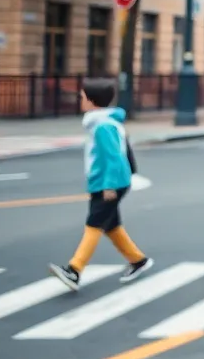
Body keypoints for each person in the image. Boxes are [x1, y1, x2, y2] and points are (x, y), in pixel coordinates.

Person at [48, 80, 153, 291]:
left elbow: (113, 158)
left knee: (94, 224)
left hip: (110, 183)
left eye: (82, 97)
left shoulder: (104, 125)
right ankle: (138, 260)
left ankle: (74, 270)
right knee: (111, 226)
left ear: (92, 101)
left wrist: (109, 186)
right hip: (106, 181)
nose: (80, 100)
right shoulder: (102, 123)